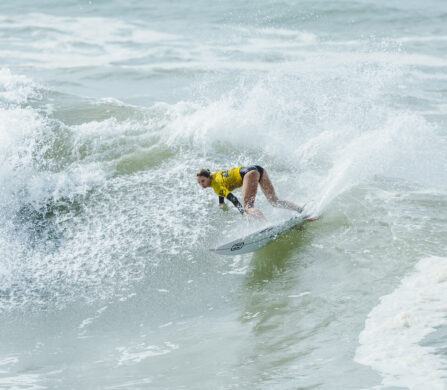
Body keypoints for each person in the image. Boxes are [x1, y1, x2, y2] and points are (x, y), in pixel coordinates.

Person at [196, 165, 303, 221]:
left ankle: (267, 224)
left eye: (203, 181)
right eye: (199, 182)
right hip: (258, 169)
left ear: (208, 177)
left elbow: (232, 198)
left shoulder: (216, 186)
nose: (202, 184)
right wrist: (221, 202)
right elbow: (222, 190)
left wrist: (243, 212)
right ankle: (300, 209)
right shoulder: (215, 176)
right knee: (274, 201)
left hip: (249, 174)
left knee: (248, 206)